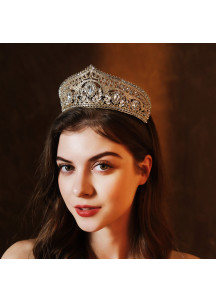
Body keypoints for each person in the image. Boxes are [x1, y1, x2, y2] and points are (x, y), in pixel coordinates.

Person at [2, 65, 198, 259]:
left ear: (143, 170)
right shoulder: (24, 259)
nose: (80, 189)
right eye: (67, 167)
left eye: (102, 166)